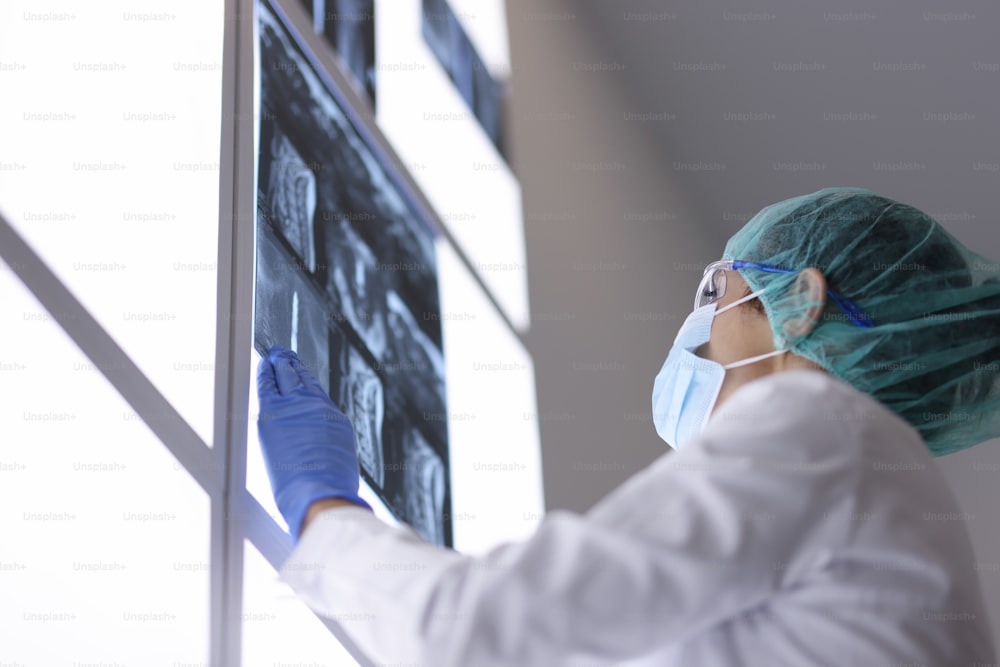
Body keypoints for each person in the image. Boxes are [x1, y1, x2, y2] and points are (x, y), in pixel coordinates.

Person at [257, 187, 1000, 666]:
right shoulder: (879, 494)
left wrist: (323, 513)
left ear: (801, 303)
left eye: (717, 287)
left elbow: (478, 630)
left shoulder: (822, 429)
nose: (695, 324)